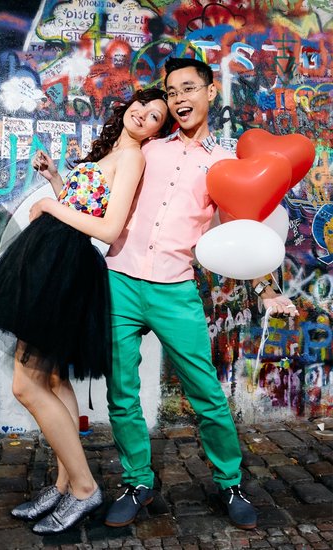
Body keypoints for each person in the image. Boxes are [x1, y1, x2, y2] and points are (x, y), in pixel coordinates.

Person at [0, 88, 172, 535]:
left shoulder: (134, 158)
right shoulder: (114, 152)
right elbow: (84, 205)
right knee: (53, 379)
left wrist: (50, 204)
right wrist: (57, 179)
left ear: (159, 130)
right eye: (143, 105)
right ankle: (62, 484)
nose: (145, 115)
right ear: (129, 106)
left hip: (65, 264)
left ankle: (83, 488)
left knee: (26, 386)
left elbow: (110, 228)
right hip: (52, 255)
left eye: (156, 116)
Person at [104, 58, 299, 531]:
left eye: (189, 88)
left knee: (207, 394)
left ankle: (229, 482)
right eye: (171, 92)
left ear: (211, 93)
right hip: (120, 280)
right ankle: (136, 481)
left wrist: (267, 289)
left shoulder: (227, 164)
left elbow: (240, 228)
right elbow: (100, 190)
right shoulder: (147, 150)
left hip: (175, 289)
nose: (179, 99)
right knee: (121, 392)